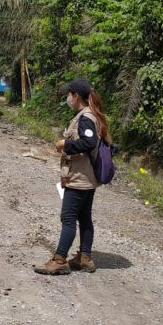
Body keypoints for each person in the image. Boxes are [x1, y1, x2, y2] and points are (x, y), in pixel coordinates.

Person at [35, 78, 112, 275]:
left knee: (68, 218)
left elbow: (88, 142)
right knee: (85, 217)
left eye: (69, 94)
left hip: (80, 178)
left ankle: (60, 259)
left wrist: (64, 145)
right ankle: (84, 258)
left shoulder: (85, 117)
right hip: (87, 179)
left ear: (75, 95)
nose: (68, 98)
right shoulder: (90, 115)